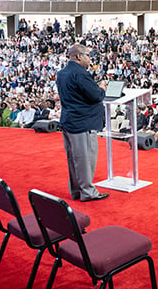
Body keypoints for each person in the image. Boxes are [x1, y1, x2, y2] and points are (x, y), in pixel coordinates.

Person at [56, 43, 109, 202]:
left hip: (69, 120)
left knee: (74, 159)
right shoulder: (81, 74)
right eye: (88, 55)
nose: (90, 59)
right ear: (78, 56)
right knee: (85, 159)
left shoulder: (62, 73)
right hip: (83, 123)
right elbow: (95, 96)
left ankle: (77, 191)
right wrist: (102, 88)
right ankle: (88, 192)